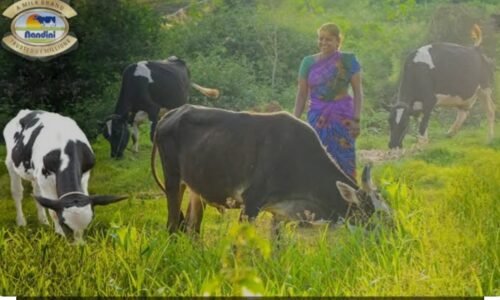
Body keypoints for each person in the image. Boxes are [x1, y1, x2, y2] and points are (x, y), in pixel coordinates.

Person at [293, 23, 363, 180]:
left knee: (345, 157)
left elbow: (358, 92)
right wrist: (294, 120)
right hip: (317, 117)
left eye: (328, 39)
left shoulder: (348, 60)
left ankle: (348, 195)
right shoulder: (308, 62)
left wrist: (357, 120)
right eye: (321, 39)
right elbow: (302, 94)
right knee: (316, 156)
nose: (323, 43)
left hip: (343, 116)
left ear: (338, 41)